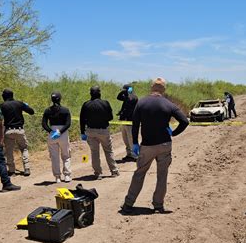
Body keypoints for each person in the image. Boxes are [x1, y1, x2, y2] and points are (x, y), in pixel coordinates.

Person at [121, 77, 189, 214]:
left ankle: (128, 204)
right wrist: (174, 133)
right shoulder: (169, 104)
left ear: (151, 87)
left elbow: (135, 125)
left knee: (139, 174)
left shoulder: (141, 103)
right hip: (164, 144)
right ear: (164, 89)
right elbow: (184, 121)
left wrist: (134, 142)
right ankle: (158, 205)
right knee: (162, 175)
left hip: (147, 145)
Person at [80, 86, 120, 180]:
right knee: (108, 151)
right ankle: (114, 171)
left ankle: (98, 174)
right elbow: (110, 117)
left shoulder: (86, 104)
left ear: (90, 93)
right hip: (103, 131)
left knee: (94, 153)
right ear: (99, 93)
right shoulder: (105, 103)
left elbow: (82, 120)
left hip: (90, 131)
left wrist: (82, 132)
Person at [0, 89, 35, 176]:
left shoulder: (1, 106)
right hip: (19, 130)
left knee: (9, 151)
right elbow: (32, 112)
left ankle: (12, 171)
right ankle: (26, 168)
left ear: (4, 96)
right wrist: (25, 106)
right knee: (24, 148)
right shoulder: (19, 103)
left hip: (8, 131)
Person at [42, 92, 72, 183]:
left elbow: (44, 124)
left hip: (52, 133)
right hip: (63, 132)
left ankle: (57, 177)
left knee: (54, 156)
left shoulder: (48, 110)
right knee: (66, 155)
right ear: (60, 99)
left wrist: (51, 131)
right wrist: (60, 132)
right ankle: (67, 175)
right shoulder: (65, 110)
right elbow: (68, 124)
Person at [116, 83, 138, 162]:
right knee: (125, 139)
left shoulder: (133, 97)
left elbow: (129, 99)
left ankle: (135, 155)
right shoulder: (126, 96)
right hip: (124, 121)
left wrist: (128, 92)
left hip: (130, 121)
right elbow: (118, 97)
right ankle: (129, 154)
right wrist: (123, 91)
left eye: (125, 89)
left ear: (129, 89)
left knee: (131, 139)